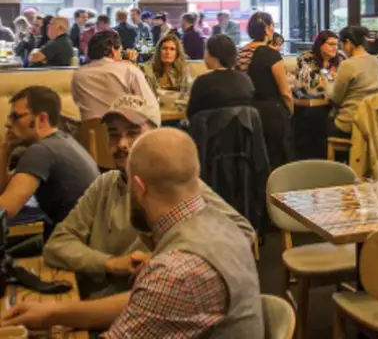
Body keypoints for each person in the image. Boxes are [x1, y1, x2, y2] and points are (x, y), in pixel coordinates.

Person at [5, 128, 264, 337]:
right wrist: (54, 314)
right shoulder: (222, 224)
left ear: (139, 188)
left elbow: (162, 294)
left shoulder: (176, 272)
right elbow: (146, 302)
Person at [44, 95, 256, 299]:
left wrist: (168, 261)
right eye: (114, 134)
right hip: (92, 304)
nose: (122, 144)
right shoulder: (105, 184)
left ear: (155, 136)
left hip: (151, 304)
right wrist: (110, 264)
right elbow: (57, 245)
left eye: (133, 133)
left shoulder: (179, 186)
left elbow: (243, 232)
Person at [0, 86, 98, 227]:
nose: (8, 123)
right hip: (85, 235)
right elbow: (5, 193)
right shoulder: (61, 140)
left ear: (42, 119)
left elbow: (5, 211)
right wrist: (4, 151)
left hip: (74, 242)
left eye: (16, 117)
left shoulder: (41, 151)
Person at [71, 30, 158, 121]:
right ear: (113, 50)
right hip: (122, 132)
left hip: (90, 132)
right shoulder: (129, 71)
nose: (121, 56)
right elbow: (151, 108)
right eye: (120, 51)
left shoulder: (78, 75)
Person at [245, 13, 293, 169]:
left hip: (247, 112)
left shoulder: (242, 52)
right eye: (272, 25)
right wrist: (290, 110)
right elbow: (285, 92)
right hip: (271, 113)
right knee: (276, 160)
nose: (273, 29)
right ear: (266, 29)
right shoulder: (272, 55)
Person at [328, 25, 378, 138]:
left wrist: (326, 84)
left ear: (348, 43)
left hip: (350, 123)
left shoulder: (348, 64)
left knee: (317, 125)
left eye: (341, 45)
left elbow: (335, 98)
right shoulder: (376, 61)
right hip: (372, 123)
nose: (341, 50)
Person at [187, 35, 254, 119]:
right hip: (241, 131)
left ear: (212, 54)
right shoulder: (245, 80)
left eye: (206, 50)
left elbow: (191, 114)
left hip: (209, 130)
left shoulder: (203, 82)